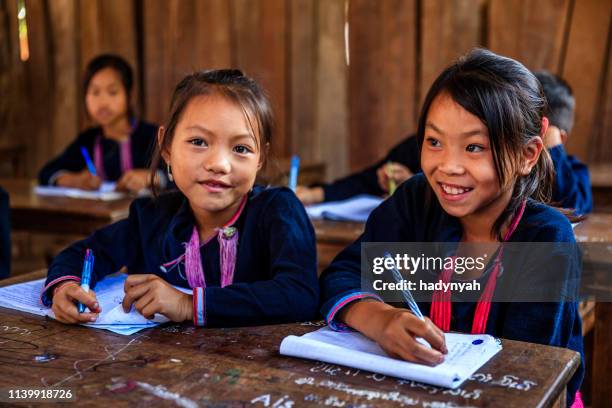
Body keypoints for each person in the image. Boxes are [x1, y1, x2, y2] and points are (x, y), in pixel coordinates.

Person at [319, 49, 583, 406]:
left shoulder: (545, 238)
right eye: (434, 142)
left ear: (527, 155)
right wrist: (377, 317)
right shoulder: (418, 200)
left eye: (474, 147)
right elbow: (346, 271)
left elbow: (525, 370)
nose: (448, 166)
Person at [42, 69, 319, 328]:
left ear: (261, 159)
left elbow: (299, 295)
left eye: (241, 148)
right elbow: (86, 253)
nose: (219, 164)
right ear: (166, 147)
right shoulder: (152, 217)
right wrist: (65, 286)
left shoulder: (277, 211)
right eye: (199, 142)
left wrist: (189, 305)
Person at [38, 54, 161, 192]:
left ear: (129, 95)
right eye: (95, 92)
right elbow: (46, 173)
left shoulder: (152, 137)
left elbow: (175, 174)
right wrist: (74, 180)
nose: (102, 102)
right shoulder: (88, 141)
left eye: (112, 92)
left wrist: (154, 177)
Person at [535, 70, 592, 215]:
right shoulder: (511, 166)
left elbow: (574, 208)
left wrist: (553, 148)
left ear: (559, 138)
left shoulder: (576, 171)